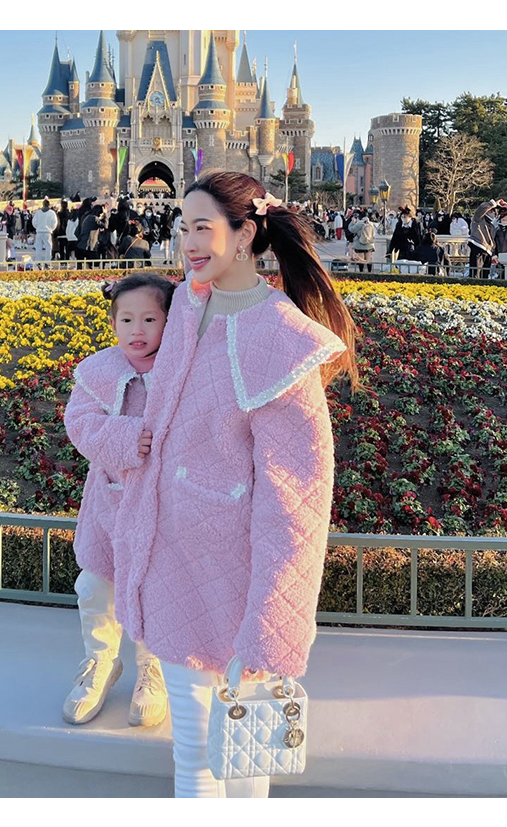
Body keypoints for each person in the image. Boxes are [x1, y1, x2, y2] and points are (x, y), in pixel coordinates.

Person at [103, 170, 360, 798]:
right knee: (193, 755)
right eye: (181, 227)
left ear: (244, 234)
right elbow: (146, 405)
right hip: (171, 565)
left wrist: (272, 625)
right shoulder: (187, 305)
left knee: (244, 763)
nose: (187, 242)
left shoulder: (280, 339)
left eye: (202, 228)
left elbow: (295, 498)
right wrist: (116, 441)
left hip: (236, 579)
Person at [63, 274, 175, 730]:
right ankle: (101, 661)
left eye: (149, 319)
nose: (137, 330)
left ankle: (154, 667)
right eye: (126, 319)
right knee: (95, 585)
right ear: (112, 322)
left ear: (169, 322)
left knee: (153, 587)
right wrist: (128, 437)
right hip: (109, 501)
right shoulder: (98, 370)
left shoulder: (180, 369)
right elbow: (79, 422)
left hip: (162, 503)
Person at [467, 200, 498, 278]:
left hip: (488, 252)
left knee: (485, 275)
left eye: (493, 211)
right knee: (475, 274)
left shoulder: (492, 226)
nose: (492, 213)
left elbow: (492, 240)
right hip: (478, 247)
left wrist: (493, 254)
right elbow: (481, 209)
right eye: (490, 211)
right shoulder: (478, 219)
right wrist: (492, 204)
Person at [32, 198, 59, 266]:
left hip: (39, 232)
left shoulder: (38, 212)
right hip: (47, 232)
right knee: (48, 247)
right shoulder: (52, 213)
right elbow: (54, 223)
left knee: (38, 248)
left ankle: (38, 262)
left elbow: (34, 222)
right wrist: (51, 229)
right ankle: (47, 262)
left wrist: (37, 227)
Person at [348, 208, 375, 273]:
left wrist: (352, 222)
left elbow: (351, 229)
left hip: (360, 244)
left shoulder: (359, 223)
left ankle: (361, 273)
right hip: (369, 244)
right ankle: (370, 273)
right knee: (368, 260)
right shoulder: (371, 224)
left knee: (361, 260)